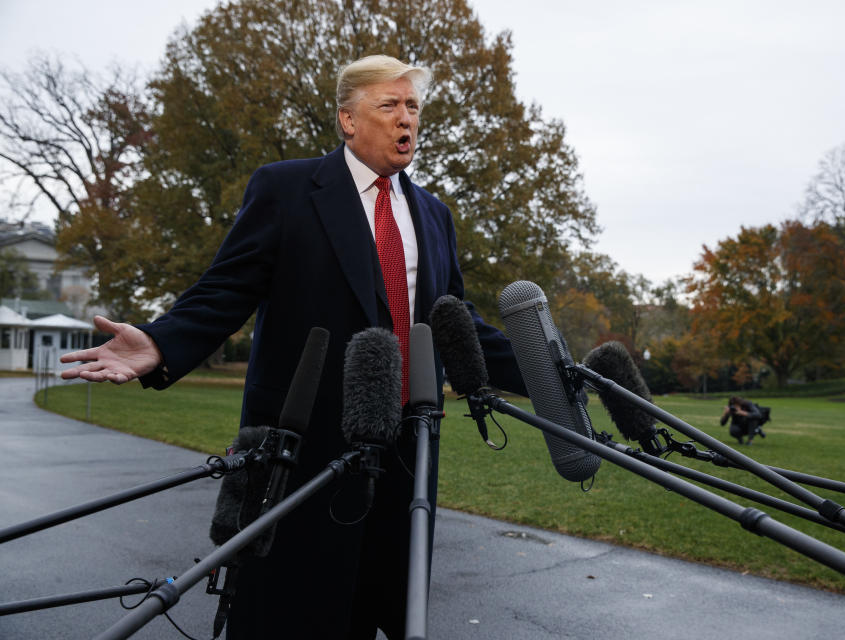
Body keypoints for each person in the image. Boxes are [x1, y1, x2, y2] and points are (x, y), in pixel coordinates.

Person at [60, 55, 526, 639]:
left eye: (413, 107)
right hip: (301, 455)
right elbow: (227, 288)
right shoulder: (286, 189)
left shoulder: (434, 214)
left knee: (380, 610)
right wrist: (160, 340)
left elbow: (455, 324)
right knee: (286, 616)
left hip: (408, 455)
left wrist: (549, 374)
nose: (406, 119)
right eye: (389, 106)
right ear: (348, 120)